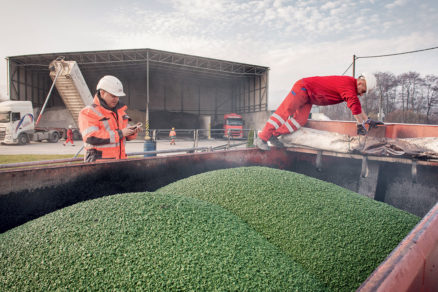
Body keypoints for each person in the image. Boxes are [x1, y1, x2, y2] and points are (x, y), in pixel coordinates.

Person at [255, 73, 384, 150]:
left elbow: (358, 107)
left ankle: (274, 135)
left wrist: (367, 121)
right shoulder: (348, 85)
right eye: (363, 91)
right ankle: (262, 138)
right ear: (361, 82)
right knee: (284, 112)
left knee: (300, 120)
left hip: (309, 97)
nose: (362, 94)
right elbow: (354, 107)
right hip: (303, 88)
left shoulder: (351, 87)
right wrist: (360, 124)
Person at [78, 75, 141, 162]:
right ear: (102, 93)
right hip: (97, 166)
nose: (116, 99)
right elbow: (91, 137)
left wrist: (132, 132)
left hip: (119, 163)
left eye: (118, 96)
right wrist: (120, 133)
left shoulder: (120, 112)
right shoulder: (88, 112)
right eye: (113, 96)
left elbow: (124, 136)